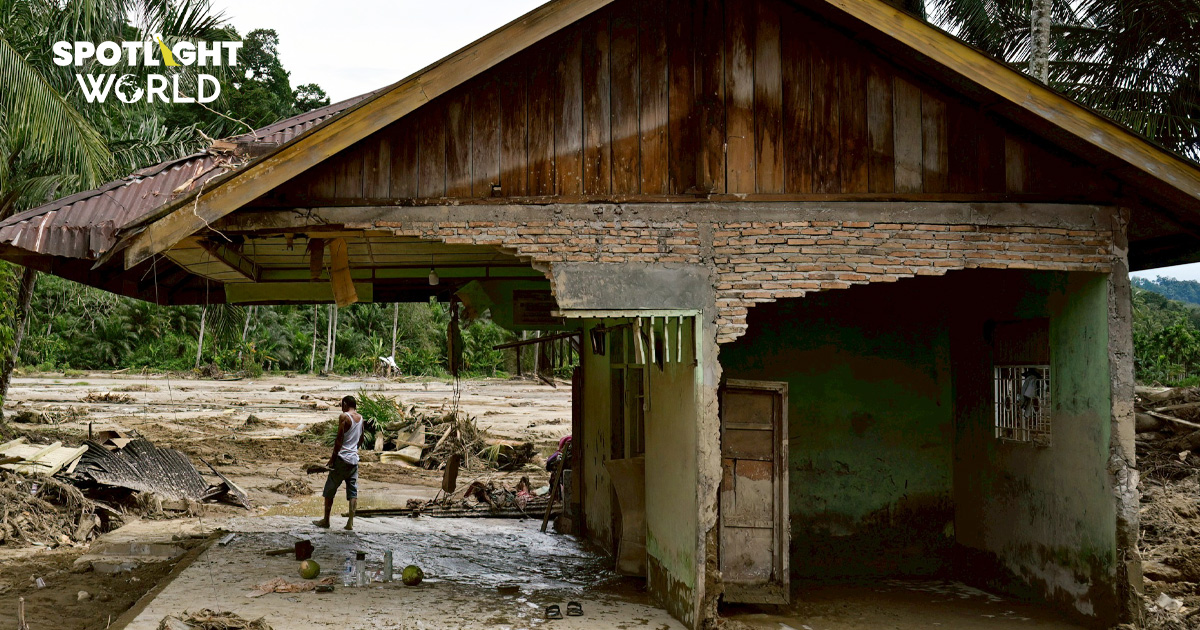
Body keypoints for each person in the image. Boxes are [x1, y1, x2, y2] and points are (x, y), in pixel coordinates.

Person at [313, 395, 364, 530]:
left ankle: (326, 520)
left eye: (342, 404)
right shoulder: (361, 418)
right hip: (354, 460)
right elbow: (361, 439)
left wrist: (332, 458)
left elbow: (339, 440)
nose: (341, 407)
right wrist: (354, 450)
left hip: (342, 459)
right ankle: (350, 523)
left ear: (346, 404)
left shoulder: (344, 417)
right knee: (352, 491)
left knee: (330, 489)